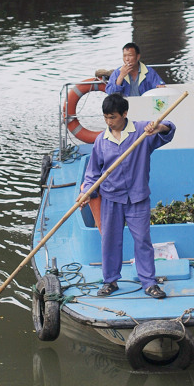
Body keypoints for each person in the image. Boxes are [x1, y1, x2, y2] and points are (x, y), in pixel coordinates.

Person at [77, 93, 175, 299]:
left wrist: (159, 128)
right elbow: (93, 172)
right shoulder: (101, 141)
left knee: (142, 240)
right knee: (110, 240)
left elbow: (168, 128)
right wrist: (87, 192)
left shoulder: (141, 131)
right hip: (111, 198)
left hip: (137, 198)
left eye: (112, 117)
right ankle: (110, 281)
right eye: (105, 118)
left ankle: (149, 283)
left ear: (124, 113)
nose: (109, 122)